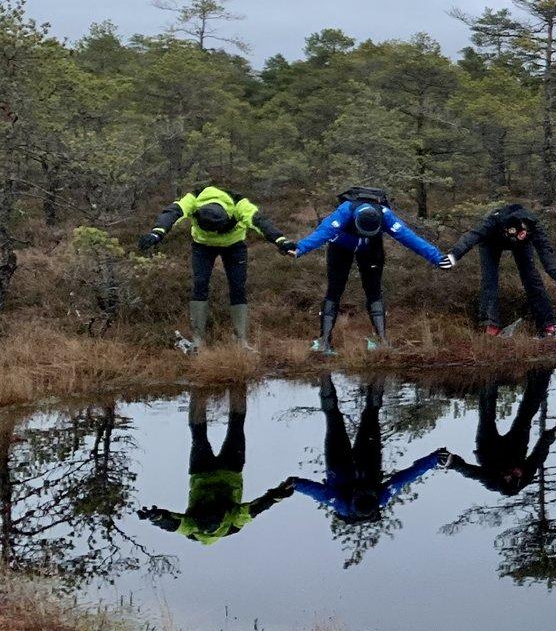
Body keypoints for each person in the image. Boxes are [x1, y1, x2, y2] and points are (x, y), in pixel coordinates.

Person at [291, 186, 450, 355]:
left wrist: (438, 258)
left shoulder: (385, 215)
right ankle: (324, 341)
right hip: (340, 246)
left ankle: (381, 341)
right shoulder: (345, 211)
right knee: (334, 290)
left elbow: (410, 238)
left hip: (371, 248)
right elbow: (322, 233)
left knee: (374, 290)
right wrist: (299, 249)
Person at [137, 185, 295, 350]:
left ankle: (241, 340)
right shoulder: (194, 200)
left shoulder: (239, 205)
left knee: (238, 287)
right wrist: (157, 232)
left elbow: (260, 222)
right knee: (200, 284)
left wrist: (281, 240)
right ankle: (198, 339)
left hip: (234, 246)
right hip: (203, 246)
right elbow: (173, 212)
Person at [136, 386, 295, 542]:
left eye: (207, 506)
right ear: (222, 516)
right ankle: (238, 382)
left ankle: (198, 388)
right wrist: (276, 495)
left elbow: (175, 525)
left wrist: (157, 518)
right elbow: (255, 509)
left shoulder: (193, 527)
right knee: (236, 428)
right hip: (230, 471)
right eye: (215, 506)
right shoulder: (233, 523)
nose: (211, 501)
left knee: (199, 437)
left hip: (202, 473)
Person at [287, 376, 448, 521]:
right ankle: (380, 369)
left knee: (333, 416)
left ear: (353, 499)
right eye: (367, 491)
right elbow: (405, 478)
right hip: (368, 462)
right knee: (372, 412)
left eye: (359, 492)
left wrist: (295, 484)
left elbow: (317, 492)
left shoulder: (340, 504)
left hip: (339, 465)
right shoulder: (381, 498)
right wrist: (433, 459)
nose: (361, 489)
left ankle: (324, 372)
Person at [447, 202, 556, 338]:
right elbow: (473, 236)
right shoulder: (493, 221)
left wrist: (555, 272)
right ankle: (491, 324)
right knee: (489, 281)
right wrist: (453, 255)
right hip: (491, 242)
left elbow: (544, 248)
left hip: (522, 245)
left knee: (532, 279)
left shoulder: (533, 224)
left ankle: (547, 325)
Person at [442, 368, 556, 497]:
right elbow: (538, 456)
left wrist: (452, 462)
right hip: (515, 449)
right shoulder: (526, 476)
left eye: (513, 473)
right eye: (518, 473)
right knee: (526, 415)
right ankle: (541, 373)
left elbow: (471, 472)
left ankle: (489, 377)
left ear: (504, 477)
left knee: (487, 417)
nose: (517, 471)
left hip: (488, 451)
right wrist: (551, 436)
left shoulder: (492, 481)